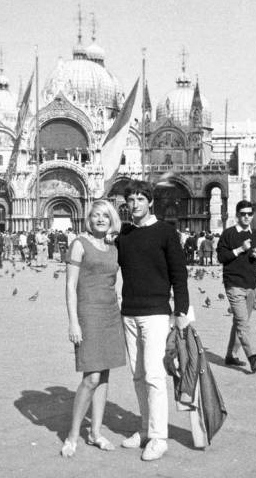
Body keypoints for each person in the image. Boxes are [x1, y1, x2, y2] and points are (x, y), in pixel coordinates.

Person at [117, 180, 189, 461]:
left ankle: (159, 437)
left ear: (150, 202)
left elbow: (179, 275)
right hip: (129, 313)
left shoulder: (166, 233)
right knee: (138, 375)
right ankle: (146, 428)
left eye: (139, 199)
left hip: (157, 313)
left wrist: (181, 312)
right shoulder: (124, 234)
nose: (134, 204)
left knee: (155, 376)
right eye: (130, 200)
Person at [61, 200, 125, 458]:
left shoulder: (112, 247)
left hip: (111, 313)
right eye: (96, 215)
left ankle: (95, 432)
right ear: (89, 218)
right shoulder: (79, 243)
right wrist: (73, 321)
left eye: (105, 216)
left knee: (105, 376)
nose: (100, 219)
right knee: (91, 378)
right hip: (88, 313)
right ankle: (72, 435)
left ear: (112, 220)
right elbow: (69, 286)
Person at [217, 200, 256, 373]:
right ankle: (252, 357)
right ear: (237, 215)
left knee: (240, 323)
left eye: (249, 214)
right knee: (242, 322)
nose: (246, 217)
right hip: (233, 284)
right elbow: (221, 257)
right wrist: (240, 249)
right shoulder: (228, 234)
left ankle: (230, 355)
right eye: (243, 214)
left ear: (253, 216)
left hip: (250, 286)